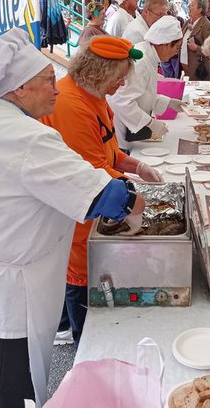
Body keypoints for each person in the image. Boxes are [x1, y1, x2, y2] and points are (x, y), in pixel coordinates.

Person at [0, 29, 145, 407]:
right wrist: (135, 200)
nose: (56, 89)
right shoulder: (25, 137)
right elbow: (100, 193)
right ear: (20, 90)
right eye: (47, 81)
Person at [40, 36, 165, 347]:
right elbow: (91, 173)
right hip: (78, 217)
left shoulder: (92, 95)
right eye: (118, 78)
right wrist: (131, 197)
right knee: (79, 276)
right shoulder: (70, 104)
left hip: (94, 207)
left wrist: (135, 166)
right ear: (98, 72)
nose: (122, 85)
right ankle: (82, 343)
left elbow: (107, 149)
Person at [106, 15, 185, 145]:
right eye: (176, 48)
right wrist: (150, 123)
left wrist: (168, 102)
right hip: (123, 127)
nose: (176, 53)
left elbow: (143, 94)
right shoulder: (142, 61)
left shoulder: (149, 55)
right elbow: (122, 100)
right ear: (165, 44)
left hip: (130, 127)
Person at [182, 0, 210, 81]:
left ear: (199, 10)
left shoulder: (208, 26)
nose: (189, 6)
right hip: (183, 67)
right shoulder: (187, 23)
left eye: (192, 5)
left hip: (197, 69)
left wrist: (196, 48)